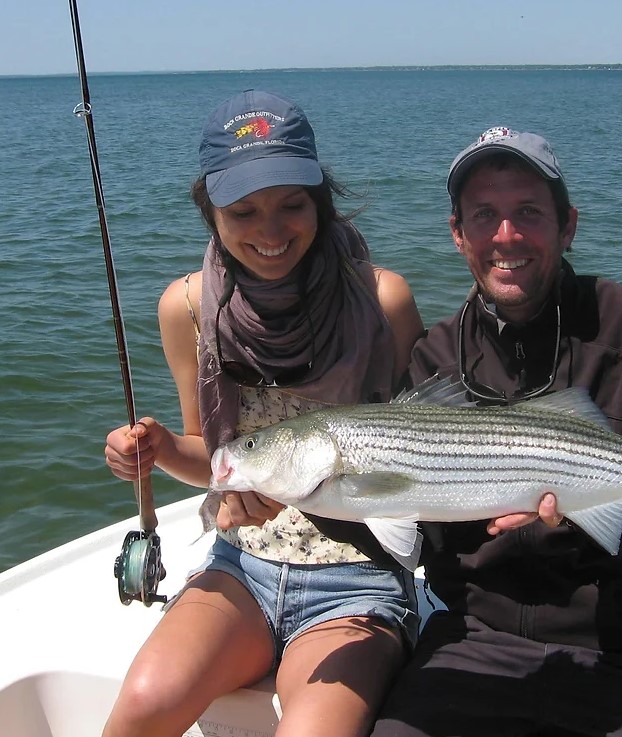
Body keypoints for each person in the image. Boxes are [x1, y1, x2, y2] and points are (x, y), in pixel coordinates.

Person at [371, 127, 622, 737]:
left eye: (528, 212)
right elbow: (415, 540)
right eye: (485, 215)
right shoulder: (434, 360)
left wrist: (590, 504)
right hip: (473, 646)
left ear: (569, 225)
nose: (506, 236)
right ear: (459, 235)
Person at [103, 90, 424, 737]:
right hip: (241, 567)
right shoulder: (187, 308)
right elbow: (215, 462)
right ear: (210, 211)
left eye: (292, 205)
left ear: (320, 200)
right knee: (142, 702)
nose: (270, 231)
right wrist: (161, 447)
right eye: (243, 210)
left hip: (357, 575)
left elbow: (419, 446)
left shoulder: (382, 297)